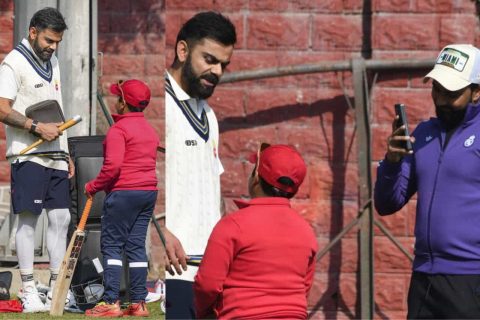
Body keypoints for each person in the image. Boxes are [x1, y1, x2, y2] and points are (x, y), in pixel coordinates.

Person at [374, 44, 480, 319]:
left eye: (452, 93)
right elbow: (387, 204)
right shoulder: (422, 135)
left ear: (477, 92)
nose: (442, 99)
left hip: (471, 280)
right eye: (437, 89)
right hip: (424, 279)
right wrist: (392, 162)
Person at [164, 11, 236, 318]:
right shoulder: (159, 104)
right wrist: (159, 231)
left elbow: (211, 187)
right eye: (209, 59)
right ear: (183, 50)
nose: (216, 70)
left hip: (208, 275)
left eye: (223, 64)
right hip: (171, 274)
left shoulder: (208, 114)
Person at [0, 7, 72, 313]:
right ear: (32, 32)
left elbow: (57, 106)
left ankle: (57, 290)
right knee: (28, 220)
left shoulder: (52, 60)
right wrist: (34, 127)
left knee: (62, 219)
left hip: (56, 154)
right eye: (48, 39)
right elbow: (1, 107)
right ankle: (28, 289)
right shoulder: (13, 63)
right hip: (27, 154)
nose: (53, 46)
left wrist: (66, 152)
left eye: (57, 41)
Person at [194, 144, 318, 319]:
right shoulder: (307, 232)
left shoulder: (233, 225)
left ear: (256, 178)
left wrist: (203, 313)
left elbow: (207, 284)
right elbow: (305, 287)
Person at [83, 79, 159, 317]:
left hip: (124, 192)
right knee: (136, 246)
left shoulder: (119, 130)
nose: (115, 100)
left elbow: (113, 166)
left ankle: (110, 302)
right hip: (148, 193)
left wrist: (93, 186)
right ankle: (138, 302)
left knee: (112, 246)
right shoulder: (150, 130)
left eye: (118, 97)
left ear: (124, 102)